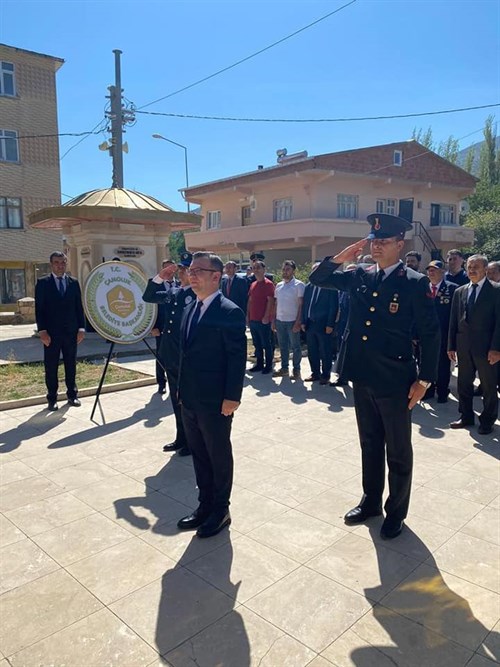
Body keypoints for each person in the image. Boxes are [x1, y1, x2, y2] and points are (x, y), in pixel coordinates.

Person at [310, 213, 440, 540]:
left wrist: (424, 380)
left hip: (396, 377)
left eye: (383, 241)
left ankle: (396, 511)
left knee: (397, 449)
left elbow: (430, 334)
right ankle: (370, 501)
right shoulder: (359, 275)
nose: (376, 246)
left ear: (400, 244)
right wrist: (342, 257)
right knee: (369, 442)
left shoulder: (414, 282)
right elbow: (319, 278)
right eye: (373, 240)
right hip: (362, 373)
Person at [176, 251, 246, 538]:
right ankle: (204, 505)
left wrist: (232, 397)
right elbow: (185, 355)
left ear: (216, 276)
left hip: (216, 401)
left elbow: (236, 357)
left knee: (218, 455)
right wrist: (180, 389)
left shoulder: (230, 311)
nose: (191, 274)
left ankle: (220, 510)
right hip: (190, 398)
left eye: (198, 271)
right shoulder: (190, 307)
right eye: (191, 270)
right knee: (200, 455)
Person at [142, 252, 194, 456]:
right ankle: (181, 437)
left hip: (187, 357)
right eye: (180, 268)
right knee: (175, 399)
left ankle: (192, 440)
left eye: (186, 269)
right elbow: (148, 296)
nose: (182, 272)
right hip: (171, 355)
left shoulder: (197, 294)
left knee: (187, 401)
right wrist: (159, 278)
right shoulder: (174, 291)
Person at [448, 254, 500, 435]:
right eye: (469, 267)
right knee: (463, 383)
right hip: (464, 346)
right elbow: (453, 321)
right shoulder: (460, 291)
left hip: (487, 349)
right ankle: (466, 415)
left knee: (488, 385)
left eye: (476, 266)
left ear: (485, 269)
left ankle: (487, 420)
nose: (472, 270)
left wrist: (496, 348)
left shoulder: (495, 290)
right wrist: (451, 345)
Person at [35, 251, 86, 411]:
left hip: (71, 333)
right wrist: (42, 331)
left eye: (63, 262)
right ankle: (52, 398)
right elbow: (39, 309)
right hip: (51, 334)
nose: (60, 265)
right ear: (51, 264)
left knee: (71, 365)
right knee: (51, 366)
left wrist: (81, 328)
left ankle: (72, 395)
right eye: (57, 262)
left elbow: (79, 307)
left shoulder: (73, 282)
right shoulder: (43, 283)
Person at [424, 260, 457, 403]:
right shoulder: (422, 287)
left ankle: (443, 391)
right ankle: (429, 390)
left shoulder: (453, 288)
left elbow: (455, 314)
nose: (431, 272)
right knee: (427, 363)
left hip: (444, 333)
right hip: (426, 334)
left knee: (443, 365)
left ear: (442, 271)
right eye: (429, 270)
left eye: (434, 270)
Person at [301, 263, 339, 384]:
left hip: (324, 325)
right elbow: (305, 306)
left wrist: (330, 324)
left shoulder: (330, 287)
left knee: (325, 351)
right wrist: (303, 321)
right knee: (312, 351)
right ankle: (315, 373)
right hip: (310, 324)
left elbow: (333, 307)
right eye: (313, 271)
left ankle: (325, 374)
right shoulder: (308, 287)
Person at [149, 259, 178, 394]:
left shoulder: (180, 284)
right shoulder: (156, 285)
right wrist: (153, 326)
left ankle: (176, 381)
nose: (169, 271)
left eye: (171, 268)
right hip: (160, 327)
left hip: (177, 328)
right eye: (165, 269)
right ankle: (161, 383)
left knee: (176, 355)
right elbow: (150, 307)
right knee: (161, 355)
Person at [272, 260, 305, 380]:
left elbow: (301, 305)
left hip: (292, 321)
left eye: (288, 269)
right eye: (284, 269)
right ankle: (284, 368)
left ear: (293, 271)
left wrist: (298, 321)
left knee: (295, 347)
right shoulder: (279, 285)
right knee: (283, 346)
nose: (285, 272)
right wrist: (273, 320)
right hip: (280, 321)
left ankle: (296, 370)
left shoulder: (299, 285)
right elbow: (276, 304)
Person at [247, 260, 275, 374]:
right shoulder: (253, 285)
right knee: (256, 344)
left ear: (264, 270)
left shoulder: (268, 284)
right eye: (254, 268)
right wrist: (247, 316)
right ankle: (259, 364)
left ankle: (268, 366)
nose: (256, 270)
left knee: (266, 344)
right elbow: (250, 301)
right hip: (253, 319)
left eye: (258, 267)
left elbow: (270, 301)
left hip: (263, 320)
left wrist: (266, 316)